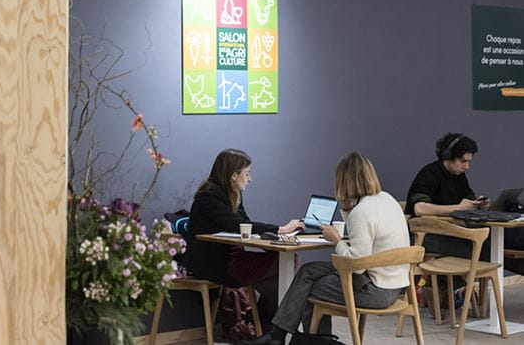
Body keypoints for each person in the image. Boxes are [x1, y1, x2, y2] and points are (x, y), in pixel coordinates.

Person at [244, 152, 410, 345]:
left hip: (375, 292)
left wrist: (337, 240)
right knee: (308, 271)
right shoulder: (386, 199)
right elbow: (362, 247)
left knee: (308, 286)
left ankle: (290, 338)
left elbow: (356, 265)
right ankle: (282, 337)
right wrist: (347, 210)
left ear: (343, 180)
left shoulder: (362, 212)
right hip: (394, 286)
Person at [184, 148, 305, 323]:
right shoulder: (208, 196)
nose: (250, 178)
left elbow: (246, 224)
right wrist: (281, 229)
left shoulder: (233, 193)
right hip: (214, 263)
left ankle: (263, 328)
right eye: (247, 174)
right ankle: (263, 326)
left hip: (229, 257)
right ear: (234, 176)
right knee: (284, 269)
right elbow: (238, 225)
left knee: (281, 276)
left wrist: (272, 237)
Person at [405, 132, 489, 258]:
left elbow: (469, 198)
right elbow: (419, 208)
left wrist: (478, 204)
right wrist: (459, 208)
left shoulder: (459, 175)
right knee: (475, 248)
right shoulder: (429, 174)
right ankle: (465, 278)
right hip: (426, 234)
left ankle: (468, 277)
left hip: (448, 231)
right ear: (447, 156)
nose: (467, 167)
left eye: (469, 162)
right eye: (463, 161)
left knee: (488, 243)